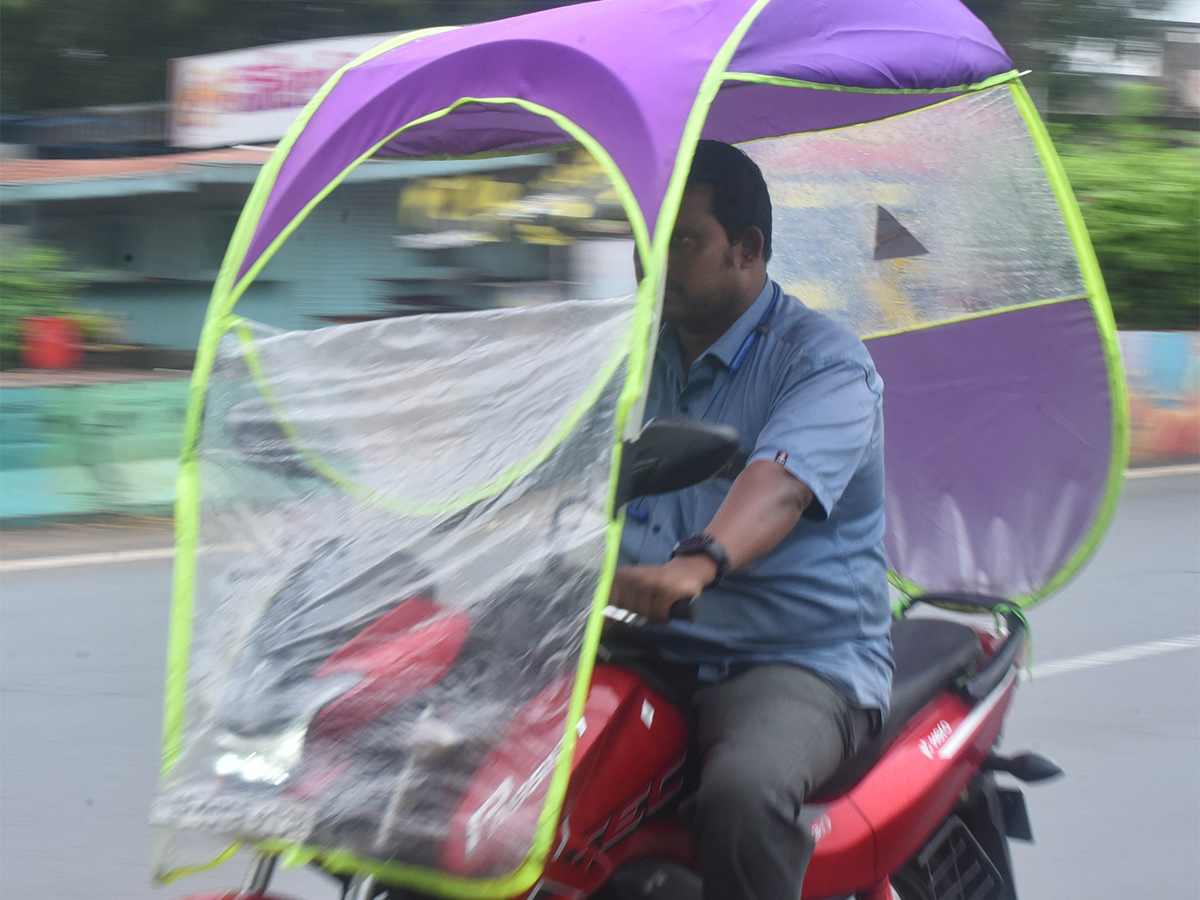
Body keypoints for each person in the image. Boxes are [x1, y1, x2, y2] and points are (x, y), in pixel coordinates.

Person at [609, 140, 893, 900]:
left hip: (792, 657)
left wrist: (694, 564)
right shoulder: (628, 359)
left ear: (749, 248)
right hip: (645, 639)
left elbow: (781, 485)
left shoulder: (823, 363)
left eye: (681, 240)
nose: (651, 261)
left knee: (742, 794)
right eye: (642, 240)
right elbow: (538, 462)